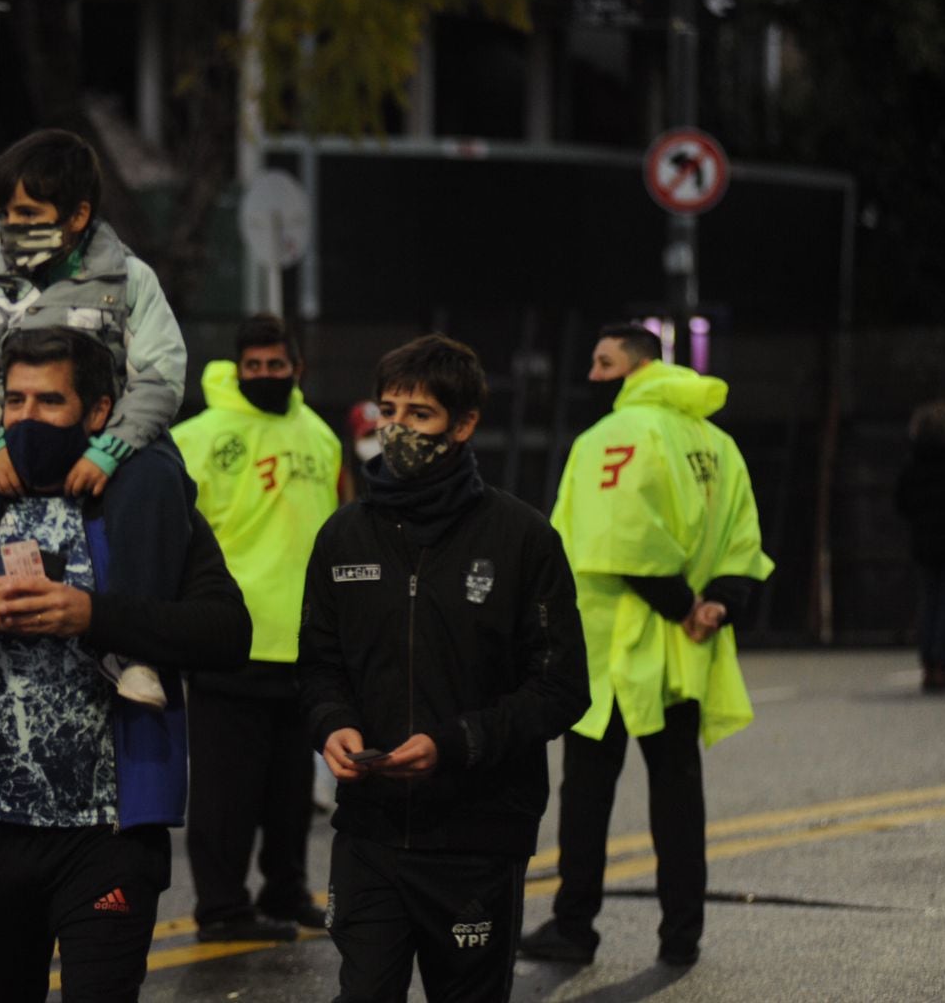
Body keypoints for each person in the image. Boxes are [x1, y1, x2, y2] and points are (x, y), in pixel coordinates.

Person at [0, 326, 252, 1003]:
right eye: (15, 399)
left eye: (49, 402)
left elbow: (226, 632)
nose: (27, 417)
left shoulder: (142, 500)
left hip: (107, 839)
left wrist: (94, 616)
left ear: (96, 412)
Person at [298, 333, 590, 1003]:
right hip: (368, 832)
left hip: (477, 838)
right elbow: (318, 663)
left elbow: (561, 688)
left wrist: (455, 744)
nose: (397, 429)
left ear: (463, 426)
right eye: (388, 412)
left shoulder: (521, 538)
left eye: (419, 415)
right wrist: (332, 725)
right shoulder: (342, 535)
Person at [0, 128, 189, 709]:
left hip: (108, 441)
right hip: (11, 441)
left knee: (158, 483)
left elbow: (161, 376)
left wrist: (113, 448)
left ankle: (135, 655)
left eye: (29, 212)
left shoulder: (130, 280)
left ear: (78, 215)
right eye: (6, 211)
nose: (11, 224)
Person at [521, 321, 774, 969]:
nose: (592, 376)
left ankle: (574, 927)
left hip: (611, 648)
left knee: (586, 794)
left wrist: (680, 604)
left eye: (603, 363)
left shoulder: (615, 436)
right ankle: (681, 936)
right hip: (683, 650)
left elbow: (620, 536)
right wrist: (715, 602)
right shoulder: (716, 442)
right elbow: (743, 536)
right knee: (679, 794)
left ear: (635, 368)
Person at [171, 313, 342, 942]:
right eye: (255, 366)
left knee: (290, 790)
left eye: (276, 365)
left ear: (297, 367)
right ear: (238, 368)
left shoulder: (320, 436)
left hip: (301, 641)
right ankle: (221, 908)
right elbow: (175, 540)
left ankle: (286, 892)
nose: (265, 375)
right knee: (225, 792)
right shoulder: (197, 437)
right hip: (229, 637)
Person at [893, 400, 945, 693]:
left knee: (929, 603)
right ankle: (942, 664)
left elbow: (902, 503)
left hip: (924, 543)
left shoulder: (913, 464)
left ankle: (929, 665)